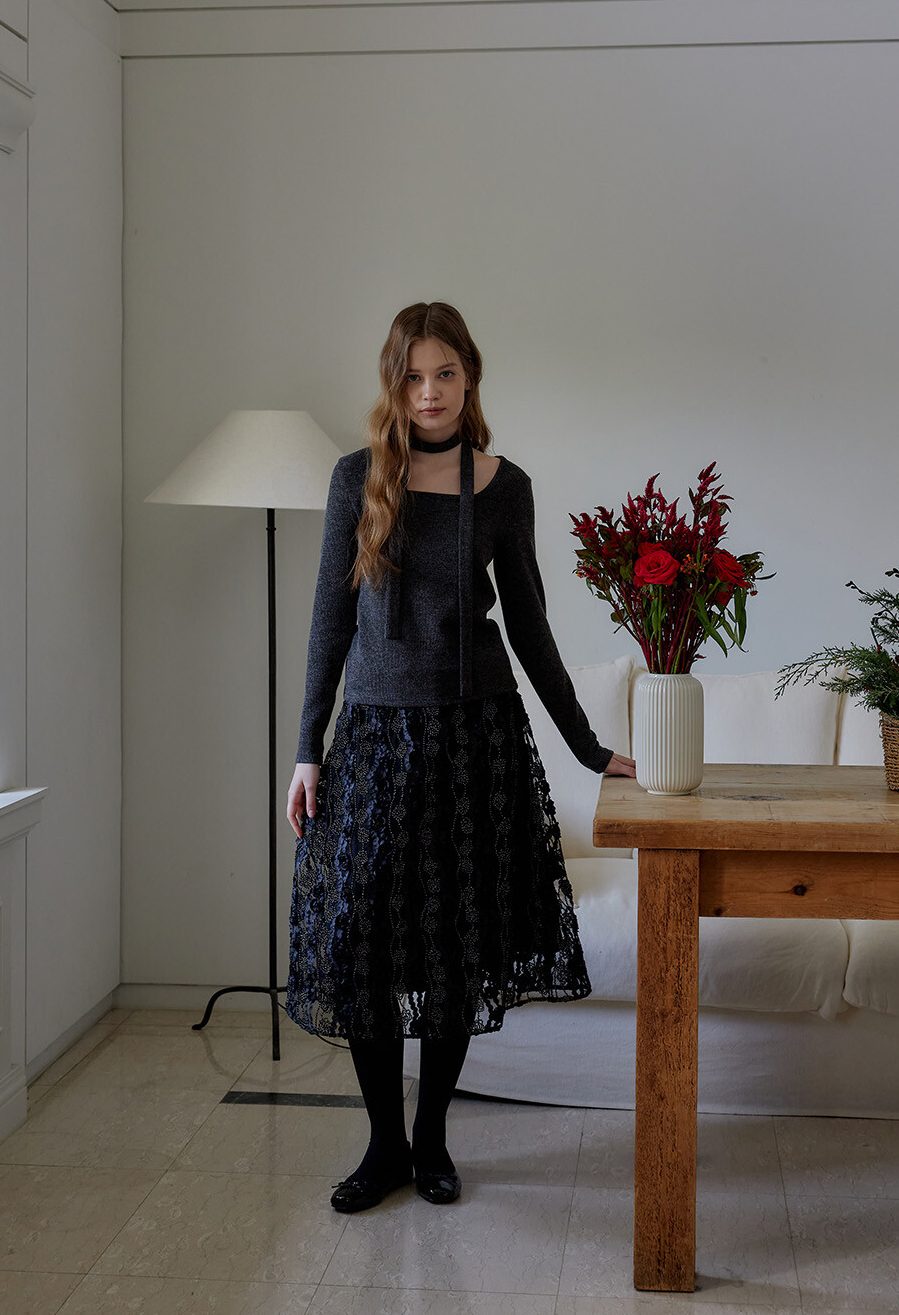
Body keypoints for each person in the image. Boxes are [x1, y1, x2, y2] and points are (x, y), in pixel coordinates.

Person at [285, 302, 635, 1214]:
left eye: (446, 373)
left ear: (469, 376)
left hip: (474, 739)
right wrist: (306, 750)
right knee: (363, 946)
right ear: (394, 382)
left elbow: (529, 627)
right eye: (414, 376)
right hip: (372, 741)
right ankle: (384, 1147)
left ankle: (432, 1137)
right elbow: (328, 620)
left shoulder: (503, 487)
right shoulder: (357, 477)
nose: (431, 392)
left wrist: (589, 748)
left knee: (451, 952)